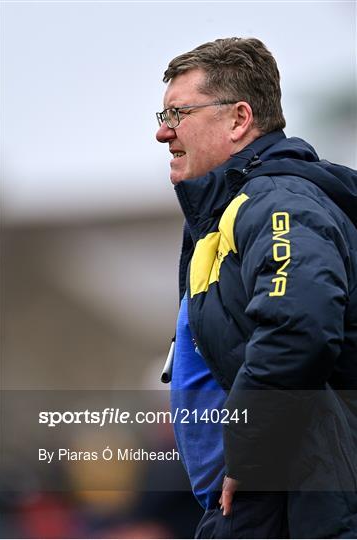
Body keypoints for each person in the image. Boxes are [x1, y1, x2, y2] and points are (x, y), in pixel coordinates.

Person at [155, 37, 357, 538]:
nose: (163, 133)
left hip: (290, 502)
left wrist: (249, 450)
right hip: (258, 502)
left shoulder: (276, 200)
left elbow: (298, 326)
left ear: (239, 119)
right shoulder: (230, 210)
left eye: (178, 113)